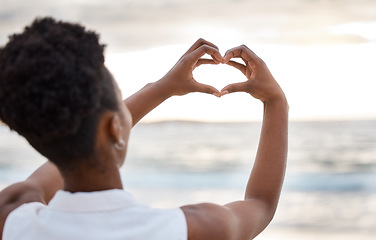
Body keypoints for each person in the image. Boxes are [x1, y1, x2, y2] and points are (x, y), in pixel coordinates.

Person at [0, 17, 288, 240]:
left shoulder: (12, 216)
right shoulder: (192, 229)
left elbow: (54, 152)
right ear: (115, 128)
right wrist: (275, 101)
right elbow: (260, 204)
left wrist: (159, 88)